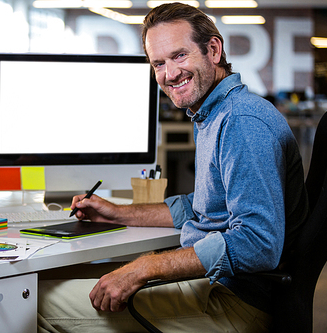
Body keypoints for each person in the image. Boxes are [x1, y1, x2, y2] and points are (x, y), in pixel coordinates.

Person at [37, 3, 308, 332]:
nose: (169, 74)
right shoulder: (214, 112)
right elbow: (203, 208)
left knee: (31, 300)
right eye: (159, 63)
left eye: (179, 56)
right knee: (46, 278)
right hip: (217, 286)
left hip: (232, 302)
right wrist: (117, 213)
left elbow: (257, 243)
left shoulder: (240, 121)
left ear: (213, 49)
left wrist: (145, 268)